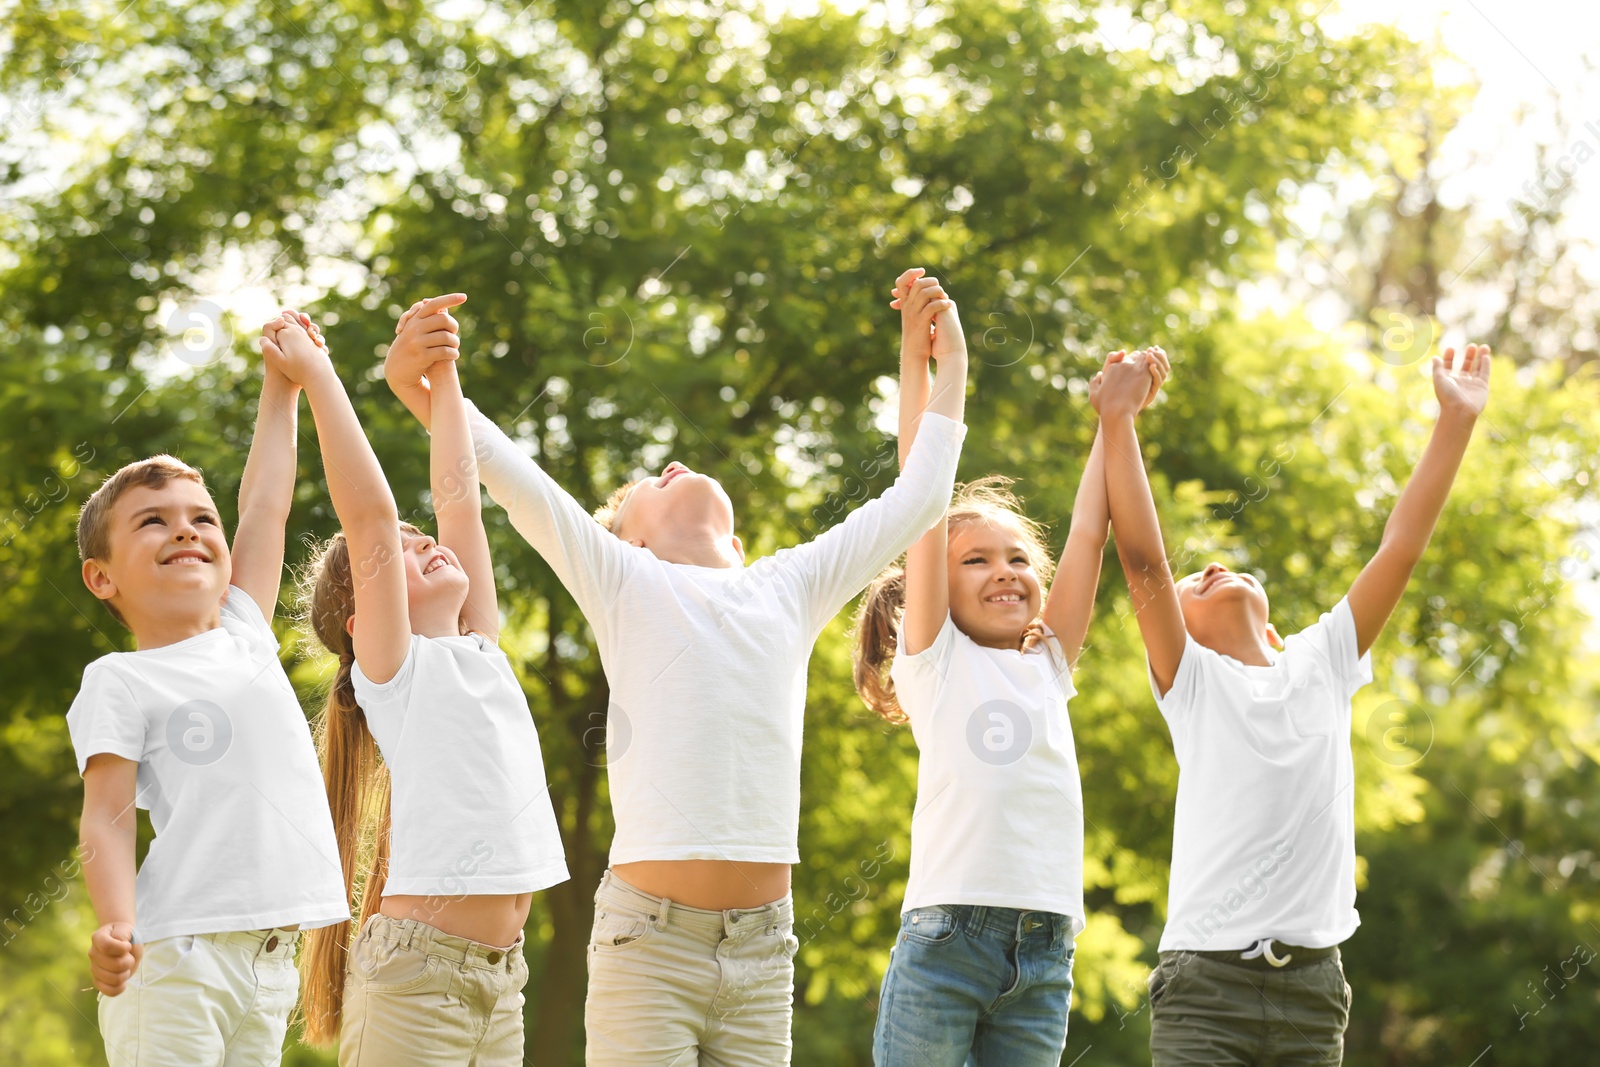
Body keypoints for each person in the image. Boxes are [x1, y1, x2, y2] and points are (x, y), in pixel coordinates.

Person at [382, 275, 969, 1064]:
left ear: (739, 543)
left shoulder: (788, 585)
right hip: (647, 945)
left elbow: (923, 492)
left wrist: (941, 359)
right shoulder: (625, 581)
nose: (673, 466)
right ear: (628, 543)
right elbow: (498, 469)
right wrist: (421, 379)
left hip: (762, 955)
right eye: (643, 489)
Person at [1096, 343, 1493, 1065]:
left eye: (1226, 565)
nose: (1211, 567)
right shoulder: (1193, 682)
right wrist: (1118, 419)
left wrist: (1455, 423)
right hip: (1204, 987)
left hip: (1313, 991)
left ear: (1277, 627)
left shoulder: (1324, 660)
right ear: (1176, 631)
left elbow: (1399, 547)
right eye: (1194, 582)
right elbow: (1144, 560)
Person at [856, 269, 1167, 1065]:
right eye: (976, 560)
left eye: (1019, 556)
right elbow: (919, 490)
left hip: (1046, 949)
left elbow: (1092, 531)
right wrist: (923, 354)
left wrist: (1113, 419)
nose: (1006, 570)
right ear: (935, 588)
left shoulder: (1048, 659)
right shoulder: (934, 659)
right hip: (947, 940)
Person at [273, 303, 568, 1066]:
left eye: (421, 534)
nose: (425, 538)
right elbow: (368, 514)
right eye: (403, 549)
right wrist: (319, 374)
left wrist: (441, 371)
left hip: (503, 981)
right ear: (361, 617)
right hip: (419, 976)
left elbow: (459, 496)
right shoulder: (394, 671)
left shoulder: (480, 647)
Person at [68, 322, 347, 1065]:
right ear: (104, 577)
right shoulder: (120, 679)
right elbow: (108, 812)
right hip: (176, 953)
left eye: (200, 518)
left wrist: (280, 386)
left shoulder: (243, 628)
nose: (185, 530)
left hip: (271, 957)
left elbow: (264, 506)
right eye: (152, 521)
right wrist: (114, 922)